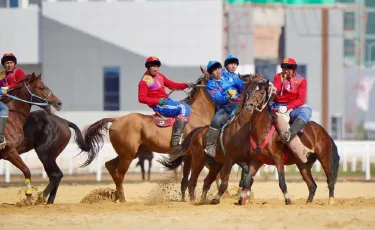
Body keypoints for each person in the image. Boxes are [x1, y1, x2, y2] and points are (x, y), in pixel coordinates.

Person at [138, 56, 194, 148]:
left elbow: (172, 85)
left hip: (168, 102)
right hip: (159, 105)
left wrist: (186, 85)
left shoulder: (160, 76)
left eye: (157, 66)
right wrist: (157, 101)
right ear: (148, 67)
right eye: (153, 66)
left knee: (187, 105)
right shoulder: (144, 81)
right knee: (184, 108)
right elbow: (141, 98)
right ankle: (176, 141)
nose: (156, 69)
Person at [272, 57, 312, 162]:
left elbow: (301, 100)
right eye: (284, 67)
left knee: (307, 111)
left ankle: (290, 133)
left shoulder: (302, 80)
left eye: (289, 67)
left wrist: (288, 107)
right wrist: (280, 85)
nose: (285, 70)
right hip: (277, 107)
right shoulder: (278, 77)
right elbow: (276, 92)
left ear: (294, 69)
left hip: (292, 108)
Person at [204, 60, 245, 158]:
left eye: (219, 68)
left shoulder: (229, 76)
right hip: (226, 106)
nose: (218, 71)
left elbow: (242, 84)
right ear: (211, 73)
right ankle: (210, 146)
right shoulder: (211, 84)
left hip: (240, 102)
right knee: (216, 121)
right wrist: (228, 97)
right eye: (215, 70)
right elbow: (217, 99)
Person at [0, 53, 26, 148]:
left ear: (14, 63)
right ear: (4, 65)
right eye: (7, 63)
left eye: (11, 62)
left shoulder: (19, 72)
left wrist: (7, 87)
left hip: (15, 101)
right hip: (5, 99)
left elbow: (21, 83)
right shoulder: (1, 75)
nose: (9, 65)